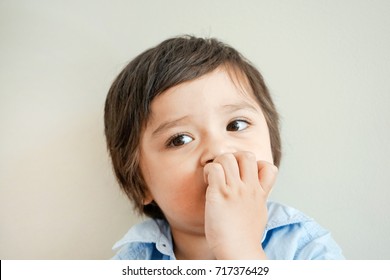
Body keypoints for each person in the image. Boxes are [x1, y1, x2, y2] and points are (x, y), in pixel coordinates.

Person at [104, 35, 344, 260]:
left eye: (236, 124)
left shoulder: (308, 250)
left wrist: (241, 249)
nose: (219, 151)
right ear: (140, 182)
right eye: (180, 139)